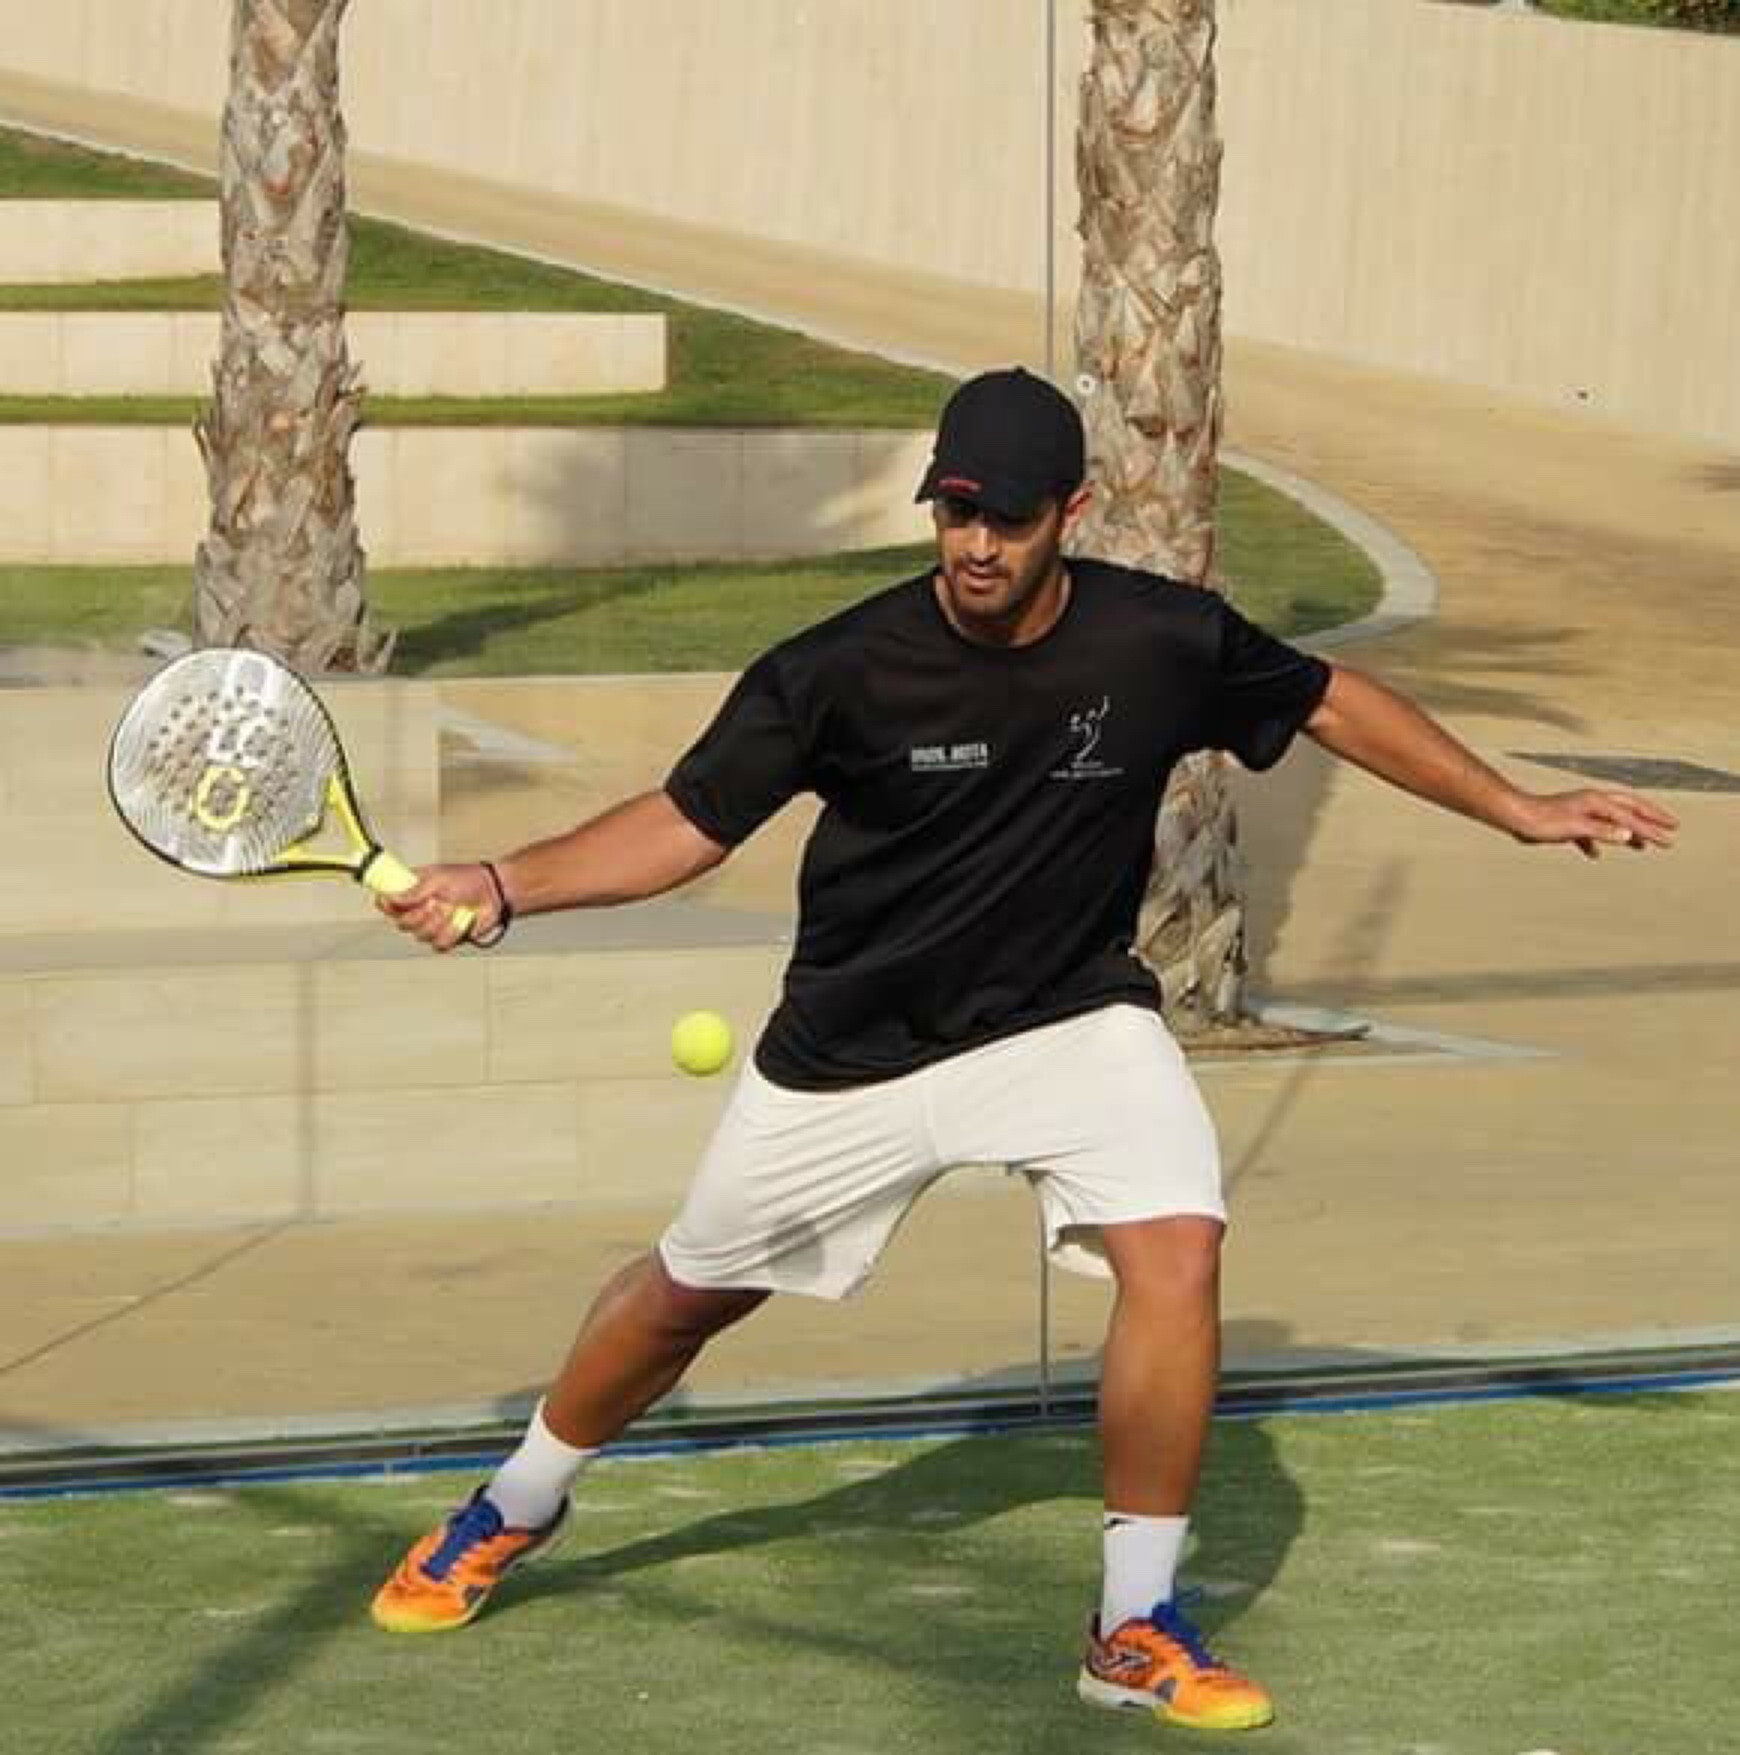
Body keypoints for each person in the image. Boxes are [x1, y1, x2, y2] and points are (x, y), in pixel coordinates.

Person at [367, 368, 1676, 1732]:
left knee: (1180, 1247)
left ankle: (1132, 1625)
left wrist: (1518, 806)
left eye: (1009, 517)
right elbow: (687, 824)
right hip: (858, 1049)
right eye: (956, 514)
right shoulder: (838, 670)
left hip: (1068, 1019)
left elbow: (1330, 699)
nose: (978, 545)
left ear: (1072, 514)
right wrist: (503, 884)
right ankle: (516, 1501)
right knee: (687, 1293)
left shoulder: (1154, 640)